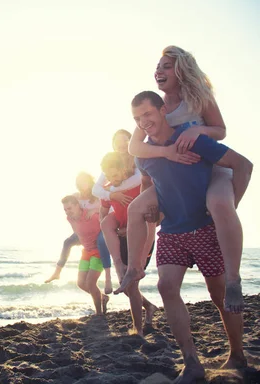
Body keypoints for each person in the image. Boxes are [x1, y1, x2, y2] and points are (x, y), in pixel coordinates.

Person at [131, 91, 252, 382]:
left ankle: (237, 354)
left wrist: (227, 207)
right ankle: (192, 362)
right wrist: (152, 213)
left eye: (148, 114)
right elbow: (149, 184)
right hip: (172, 231)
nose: (144, 121)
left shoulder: (192, 139)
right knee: (166, 287)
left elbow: (243, 165)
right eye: (137, 118)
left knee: (219, 295)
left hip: (206, 229)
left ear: (163, 110)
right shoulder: (143, 155)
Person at [118, 46, 246, 314]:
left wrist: (198, 129)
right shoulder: (155, 106)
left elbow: (221, 131)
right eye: (158, 66)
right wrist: (167, 153)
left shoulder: (199, 98)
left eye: (166, 66)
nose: (159, 71)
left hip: (211, 168)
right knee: (136, 209)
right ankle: (133, 270)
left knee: (220, 204)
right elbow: (135, 148)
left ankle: (233, 278)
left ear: (181, 70)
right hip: (176, 174)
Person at [99, 151, 158, 336]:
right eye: (107, 175)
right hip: (122, 240)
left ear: (124, 169)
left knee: (132, 285)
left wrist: (133, 227)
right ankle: (148, 307)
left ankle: (138, 330)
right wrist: (114, 228)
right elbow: (103, 213)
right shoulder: (109, 190)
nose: (111, 179)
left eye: (114, 174)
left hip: (142, 238)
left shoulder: (138, 184)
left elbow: (154, 215)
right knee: (126, 286)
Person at [45, 172, 113, 294]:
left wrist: (94, 209)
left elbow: (109, 208)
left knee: (101, 242)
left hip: (100, 229)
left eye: (84, 181)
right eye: (79, 183)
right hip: (83, 232)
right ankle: (57, 272)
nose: (82, 185)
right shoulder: (76, 196)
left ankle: (108, 278)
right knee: (68, 242)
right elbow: (69, 207)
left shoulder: (97, 195)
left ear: (90, 182)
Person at [58, 194, 109, 315]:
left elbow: (107, 225)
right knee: (81, 283)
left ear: (77, 205)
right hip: (86, 251)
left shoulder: (92, 216)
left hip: (98, 251)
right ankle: (103, 297)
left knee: (91, 283)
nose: (67, 212)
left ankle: (99, 313)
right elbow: (78, 232)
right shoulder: (69, 219)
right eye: (65, 209)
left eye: (69, 208)